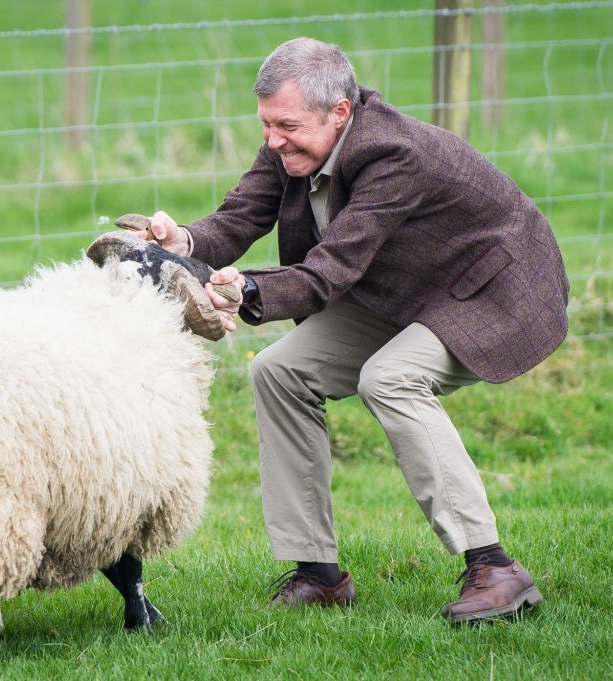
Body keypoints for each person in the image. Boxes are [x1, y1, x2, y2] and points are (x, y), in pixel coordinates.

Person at [135, 37, 569, 624]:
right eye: (266, 124)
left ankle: (495, 569)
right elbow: (239, 217)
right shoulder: (294, 142)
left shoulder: (396, 156)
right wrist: (180, 242)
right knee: (278, 372)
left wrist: (251, 291)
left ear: (340, 111)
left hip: (491, 289)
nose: (273, 140)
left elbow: (332, 268)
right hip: (405, 286)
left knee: (389, 377)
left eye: (286, 125)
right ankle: (318, 575)